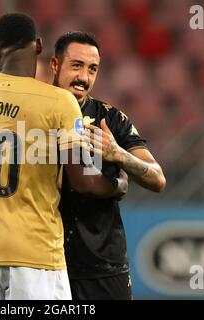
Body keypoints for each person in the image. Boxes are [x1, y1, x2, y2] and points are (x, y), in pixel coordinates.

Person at [0, 13, 125, 300]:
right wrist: (118, 184)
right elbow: (82, 181)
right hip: (35, 254)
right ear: (38, 46)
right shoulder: (59, 102)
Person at [51, 31, 166, 300]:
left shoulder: (111, 119)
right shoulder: (33, 117)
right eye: (76, 66)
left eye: (92, 69)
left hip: (104, 265)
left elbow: (157, 179)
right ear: (55, 65)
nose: (84, 77)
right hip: (47, 265)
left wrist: (118, 154)